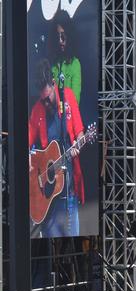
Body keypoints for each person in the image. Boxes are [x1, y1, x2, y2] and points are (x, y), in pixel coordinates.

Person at [29, 58, 87, 237]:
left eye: (47, 98)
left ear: (54, 84)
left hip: (67, 188)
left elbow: (80, 133)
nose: (46, 104)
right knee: (49, 243)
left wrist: (78, 143)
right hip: (49, 196)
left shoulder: (68, 96)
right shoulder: (38, 109)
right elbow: (25, 139)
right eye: (42, 100)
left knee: (73, 239)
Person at [49, 11, 82, 103]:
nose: (60, 41)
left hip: (68, 115)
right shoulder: (53, 63)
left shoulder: (75, 64)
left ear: (69, 36)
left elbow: (75, 101)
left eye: (63, 36)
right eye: (57, 36)